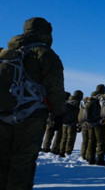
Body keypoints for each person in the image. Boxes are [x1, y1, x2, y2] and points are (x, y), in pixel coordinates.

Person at [0, 17, 66, 190]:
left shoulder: (7, 53)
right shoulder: (43, 53)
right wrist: (58, 113)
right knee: (23, 161)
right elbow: (55, 88)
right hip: (31, 116)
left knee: (2, 159)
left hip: (3, 114)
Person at [85, 84, 105, 166]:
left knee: (91, 141)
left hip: (90, 123)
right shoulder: (101, 98)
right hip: (99, 123)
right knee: (101, 141)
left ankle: (91, 158)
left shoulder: (90, 98)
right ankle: (100, 159)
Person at [59, 90, 84, 157]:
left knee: (64, 137)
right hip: (72, 123)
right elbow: (78, 113)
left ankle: (61, 150)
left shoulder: (67, 101)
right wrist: (78, 123)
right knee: (71, 137)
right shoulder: (77, 103)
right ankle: (68, 151)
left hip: (64, 122)